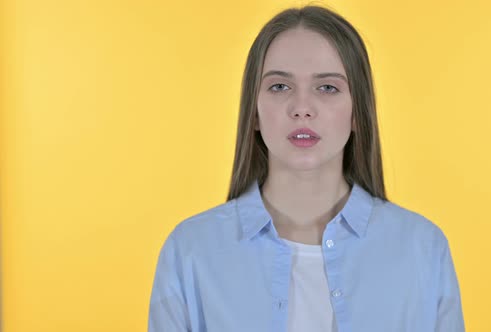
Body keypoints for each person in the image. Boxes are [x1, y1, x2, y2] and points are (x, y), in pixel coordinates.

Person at [148, 5, 465, 332]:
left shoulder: (422, 249)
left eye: (327, 87)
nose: (301, 108)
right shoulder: (190, 251)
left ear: (358, 112)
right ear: (253, 111)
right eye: (279, 87)